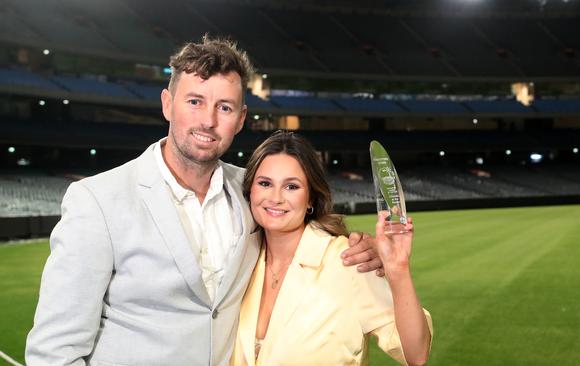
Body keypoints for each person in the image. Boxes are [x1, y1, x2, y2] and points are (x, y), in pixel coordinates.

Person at [25, 36, 381, 366]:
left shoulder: (254, 191)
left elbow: (305, 236)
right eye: (195, 101)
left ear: (240, 119)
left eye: (224, 108)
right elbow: (55, 349)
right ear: (167, 104)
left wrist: (363, 249)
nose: (208, 121)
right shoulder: (98, 201)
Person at [230, 130, 433, 365]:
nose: (275, 197)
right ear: (250, 190)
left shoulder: (348, 259)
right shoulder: (239, 260)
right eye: (265, 183)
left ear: (310, 199)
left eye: (291, 187)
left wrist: (398, 270)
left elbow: (415, 354)